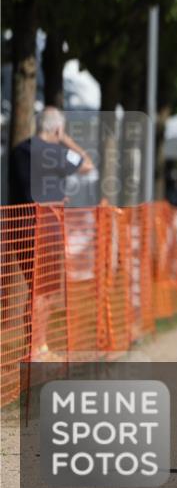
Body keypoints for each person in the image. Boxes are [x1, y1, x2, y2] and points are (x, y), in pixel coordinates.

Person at [8, 107, 95, 357]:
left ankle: (38, 346)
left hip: (23, 226)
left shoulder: (22, 151)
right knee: (42, 290)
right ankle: (35, 348)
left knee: (40, 289)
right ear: (57, 128)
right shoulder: (58, 153)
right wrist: (65, 138)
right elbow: (87, 164)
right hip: (44, 226)